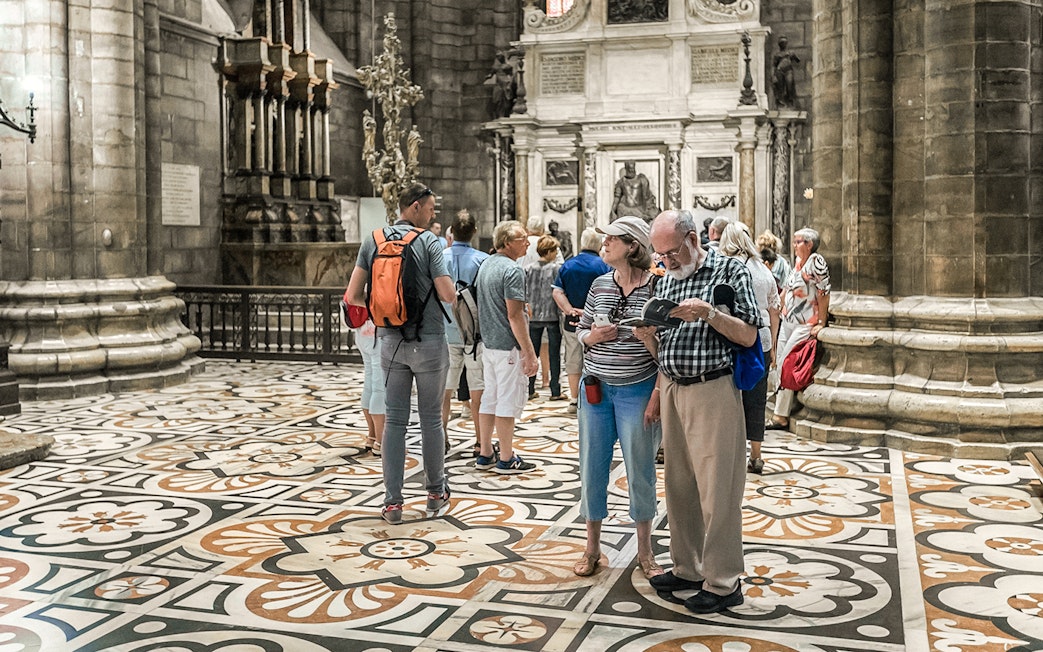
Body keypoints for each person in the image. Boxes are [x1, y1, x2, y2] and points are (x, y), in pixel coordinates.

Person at [637, 209, 759, 615]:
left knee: (718, 489)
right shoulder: (665, 279)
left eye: (671, 253)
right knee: (680, 485)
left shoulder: (729, 272)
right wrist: (648, 337)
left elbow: (748, 333)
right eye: (660, 255)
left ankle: (724, 581)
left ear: (692, 239)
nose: (666, 262)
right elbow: (663, 349)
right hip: (672, 386)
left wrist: (708, 313)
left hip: (713, 388)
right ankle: (687, 567)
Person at [345, 183, 457, 525]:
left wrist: (383, 310)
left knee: (394, 421)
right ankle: (435, 492)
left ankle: (393, 503)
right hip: (429, 342)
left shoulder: (373, 239)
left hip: (390, 342)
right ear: (416, 207)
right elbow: (448, 294)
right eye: (431, 208)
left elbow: (352, 295)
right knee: (431, 419)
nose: (434, 214)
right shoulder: (429, 242)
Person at [572, 216, 663, 580]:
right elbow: (581, 331)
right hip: (596, 389)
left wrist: (647, 340)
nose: (604, 243)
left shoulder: (656, 287)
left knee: (640, 469)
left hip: (637, 389)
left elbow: (666, 352)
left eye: (612, 239)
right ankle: (592, 547)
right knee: (592, 466)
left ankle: (645, 551)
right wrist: (592, 338)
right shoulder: (599, 284)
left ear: (632, 247)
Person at [475, 220, 540, 474]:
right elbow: (514, 316)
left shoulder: (486, 264)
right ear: (505, 243)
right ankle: (506, 457)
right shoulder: (513, 270)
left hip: (489, 344)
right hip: (507, 347)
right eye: (521, 238)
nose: (527, 241)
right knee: (506, 401)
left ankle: (485, 453)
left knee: (490, 398)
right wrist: (529, 353)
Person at [719, 222, 780, 474]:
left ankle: (729, 453)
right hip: (762, 341)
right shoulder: (763, 270)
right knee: (756, 398)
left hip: (734, 339)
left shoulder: (726, 268)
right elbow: (775, 309)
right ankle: (756, 455)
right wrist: (774, 345)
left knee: (729, 396)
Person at [767, 227, 830, 430]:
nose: (794, 246)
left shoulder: (816, 262)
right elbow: (787, 288)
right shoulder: (797, 263)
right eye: (794, 242)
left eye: (798, 242)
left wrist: (821, 322)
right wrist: (779, 304)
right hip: (788, 321)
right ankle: (781, 408)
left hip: (805, 323)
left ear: (809, 244)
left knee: (787, 362)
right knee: (778, 363)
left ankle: (781, 416)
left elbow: (823, 292)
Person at [442, 209, 489, 457]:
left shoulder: (440, 257)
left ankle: (441, 437)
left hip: (445, 331)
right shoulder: (482, 260)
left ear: (452, 232)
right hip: (474, 334)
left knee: (445, 390)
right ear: (474, 231)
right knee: (477, 389)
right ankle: (481, 443)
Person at [552, 228, 610, 414]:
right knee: (597, 358)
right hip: (597, 321)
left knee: (573, 358)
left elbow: (557, 291)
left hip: (573, 320)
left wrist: (569, 309)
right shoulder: (603, 266)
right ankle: (595, 397)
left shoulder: (568, 265)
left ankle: (574, 398)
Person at [524, 235, 565, 401]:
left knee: (532, 353)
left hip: (533, 316)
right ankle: (555, 390)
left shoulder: (528, 269)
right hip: (552, 315)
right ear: (548, 251)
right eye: (554, 250)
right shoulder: (556, 269)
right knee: (554, 355)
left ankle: (529, 388)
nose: (556, 254)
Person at [353, 312, 385, 458]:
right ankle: (381, 441)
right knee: (379, 387)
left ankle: (372, 436)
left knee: (370, 382)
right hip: (377, 331)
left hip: (362, 330)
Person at [771, 36, 799, 109]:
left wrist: (794, 56)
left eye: (784, 42)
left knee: (789, 86)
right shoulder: (777, 55)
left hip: (788, 70)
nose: (783, 44)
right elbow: (774, 65)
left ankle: (790, 101)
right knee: (780, 88)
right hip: (779, 71)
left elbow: (798, 60)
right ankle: (781, 102)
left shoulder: (790, 52)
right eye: (781, 43)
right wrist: (774, 76)